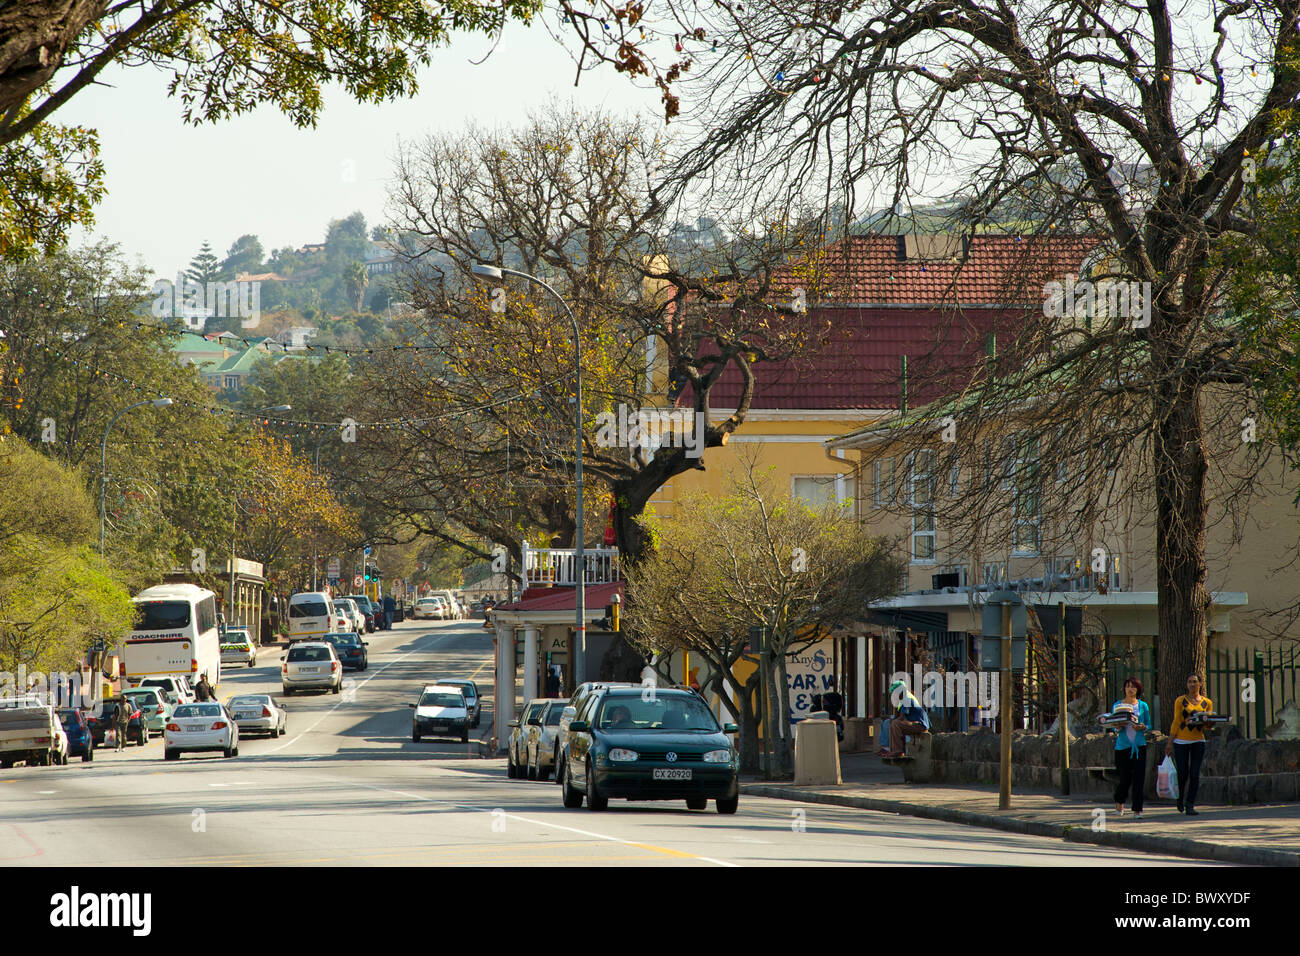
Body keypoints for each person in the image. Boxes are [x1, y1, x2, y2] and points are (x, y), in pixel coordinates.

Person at [1166, 673, 1213, 816]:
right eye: (1190, 682)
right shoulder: (1181, 701)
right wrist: (1170, 742)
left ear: (1200, 684)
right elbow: (1176, 721)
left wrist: (1209, 723)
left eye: (1195, 682)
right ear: (1187, 685)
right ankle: (1180, 798)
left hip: (1198, 741)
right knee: (1182, 772)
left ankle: (1190, 804)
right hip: (1181, 741)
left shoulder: (1206, 703)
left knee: (1194, 774)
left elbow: (1208, 725)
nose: (1192, 684)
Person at [1111, 677, 1152, 818]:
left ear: (1138, 689)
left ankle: (1137, 810)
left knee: (1139, 779)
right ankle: (1119, 801)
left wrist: (1143, 727)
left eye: (1133, 687)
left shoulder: (1143, 706)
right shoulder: (1117, 704)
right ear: (1124, 689)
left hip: (1139, 745)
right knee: (1124, 778)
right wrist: (1117, 726)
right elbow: (1113, 725)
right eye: (1128, 686)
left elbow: (1148, 724)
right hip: (1122, 746)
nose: (1130, 689)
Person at [884, 679, 930, 757]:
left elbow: (901, 718)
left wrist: (894, 720)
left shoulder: (906, 699)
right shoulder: (903, 700)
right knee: (894, 723)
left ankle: (898, 750)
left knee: (895, 724)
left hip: (920, 725)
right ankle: (894, 750)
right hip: (915, 724)